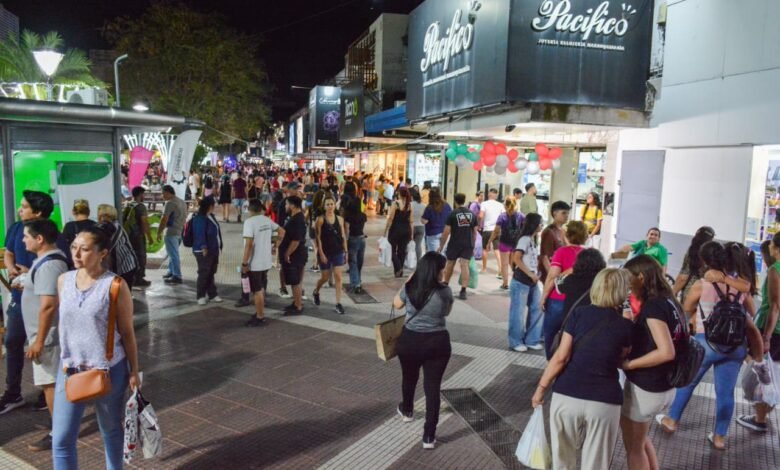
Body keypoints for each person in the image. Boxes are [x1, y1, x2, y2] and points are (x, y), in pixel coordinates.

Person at [656, 242, 763, 451]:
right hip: (735, 347)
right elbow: (751, 311)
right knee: (726, 393)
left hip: (706, 343)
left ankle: (671, 420)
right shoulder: (740, 285)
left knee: (688, 383)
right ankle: (719, 437)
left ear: (705, 261)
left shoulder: (703, 284)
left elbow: (687, 307)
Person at [52, 225, 140, 469]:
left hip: (108, 369)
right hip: (70, 368)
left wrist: (134, 370)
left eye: (84, 249)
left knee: (110, 430)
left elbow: (127, 332)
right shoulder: (64, 281)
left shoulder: (114, 285)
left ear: (102, 253)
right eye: (74, 247)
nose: (76, 253)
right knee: (61, 439)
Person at [531, 268, 634, 470]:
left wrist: (541, 389)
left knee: (562, 459)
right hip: (604, 402)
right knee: (596, 463)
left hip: (567, 395)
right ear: (622, 292)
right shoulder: (626, 325)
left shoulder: (579, 314)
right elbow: (621, 356)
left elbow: (561, 357)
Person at [620, 255, 680, 468]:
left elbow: (666, 352)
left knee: (634, 450)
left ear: (641, 278)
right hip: (664, 385)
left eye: (629, 278)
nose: (627, 284)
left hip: (647, 387)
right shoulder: (670, 301)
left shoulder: (654, 307)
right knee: (641, 441)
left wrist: (629, 365)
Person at [393, 252, 453, 450]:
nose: (444, 272)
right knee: (432, 388)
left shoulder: (410, 288)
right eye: (442, 268)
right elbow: (446, 312)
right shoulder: (445, 291)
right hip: (437, 343)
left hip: (410, 341)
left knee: (409, 378)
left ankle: (407, 411)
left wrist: (408, 281)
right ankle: (428, 436)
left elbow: (396, 304)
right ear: (436, 271)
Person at [1, 191, 53, 415]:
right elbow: (9, 253)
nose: (19, 210)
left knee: (43, 346)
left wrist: (30, 275)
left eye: (24, 207)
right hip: (18, 299)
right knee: (12, 342)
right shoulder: (15, 228)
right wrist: (12, 268)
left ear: (38, 212)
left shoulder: (52, 235)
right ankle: (13, 393)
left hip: (42, 302)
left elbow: (54, 266)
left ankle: (48, 391)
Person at [21, 219, 69, 451]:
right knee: (50, 384)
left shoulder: (50, 265)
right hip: (45, 336)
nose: (23, 240)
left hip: (48, 337)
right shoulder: (46, 262)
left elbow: (49, 306)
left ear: (39, 239)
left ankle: (58, 432)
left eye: (26, 236)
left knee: (50, 384)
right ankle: (59, 424)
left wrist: (39, 341)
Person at [737, 236, 780, 432]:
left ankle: (760, 419)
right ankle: (763, 414)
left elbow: (775, 306)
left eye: (771, 243)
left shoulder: (775, 269)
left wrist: (767, 336)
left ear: (776, 247)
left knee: (762, 374)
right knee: (773, 372)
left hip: (773, 330)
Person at [541, 221, 589, 359]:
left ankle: (552, 362)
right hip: (579, 302)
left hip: (558, 299)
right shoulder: (588, 254)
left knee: (551, 333)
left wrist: (544, 297)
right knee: (571, 336)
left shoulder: (561, 252)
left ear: (567, 235)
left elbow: (552, 276)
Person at [241, 198, 283, 327]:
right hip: (266, 261)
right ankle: (260, 311)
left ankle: (260, 317)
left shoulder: (249, 222)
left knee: (257, 290)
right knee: (262, 287)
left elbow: (248, 244)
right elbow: (282, 231)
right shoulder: (267, 220)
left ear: (249, 209)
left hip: (255, 263)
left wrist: (244, 263)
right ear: (261, 209)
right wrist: (275, 245)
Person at [508, 213, 544, 352]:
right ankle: (515, 341)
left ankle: (531, 339)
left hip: (532, 281)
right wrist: (529, 273)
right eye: (540, 223)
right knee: (517, 312)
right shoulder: (524, 239)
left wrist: (536, 273)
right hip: (521, 281)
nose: (541, 225)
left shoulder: (532, 240)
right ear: (534, 224)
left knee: (537, 308)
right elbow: (516, 258)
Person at [438, 193, 478, 300]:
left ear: (455, 201)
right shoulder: (471, 214)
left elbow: (446, 232)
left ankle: (445, 285)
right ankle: (463, 291)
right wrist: (473, 246)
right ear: (464, 200)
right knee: (464, 265)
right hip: (468, 243)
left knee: (450, 264)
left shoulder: (452, 214)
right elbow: (475, 232)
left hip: (455, 243)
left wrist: (441, 246)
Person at [313, 196, 348, 315]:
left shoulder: (340, 219)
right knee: (325, 277)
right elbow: (318, 238)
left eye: (332, 204)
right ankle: (316, 291)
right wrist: (321, 253)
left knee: (338, 277)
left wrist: (346, 251)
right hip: (325, 252)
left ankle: (338, 303)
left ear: (335, 205)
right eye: (327, 204)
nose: (330, 206)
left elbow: (343, 236)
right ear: (324, 206)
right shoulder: (320, 220)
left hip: (338, 251)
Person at [97, 205, 139, 291]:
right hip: (120, 266)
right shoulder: (104, 227)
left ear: (111, 216)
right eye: (101, 216)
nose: (103, 218)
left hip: (126, 265)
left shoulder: (115, 227)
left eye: (106, 216)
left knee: (124, 292)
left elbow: (108, 246)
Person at [559, 248, 607, 322]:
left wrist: (568, 271)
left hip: (572, 320)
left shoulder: (571, 279)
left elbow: (558, 286)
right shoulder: (602, 281)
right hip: (593, 321)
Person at [191, 197, 223, 305]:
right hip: (203, 251)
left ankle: (212, 294)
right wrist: (203, 247)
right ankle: (200, 295)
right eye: (214, 205)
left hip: (213, 249)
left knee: (210, 273)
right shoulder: (200, 218)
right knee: (204, 273)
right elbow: (199, 234)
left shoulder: (210, 216)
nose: (215, 206)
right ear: (210, 206)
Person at [672, 226, 715, 304]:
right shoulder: (715, 252)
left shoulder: (693, 251)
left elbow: (683, 277)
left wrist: (673, 293)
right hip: (710, 294)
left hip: (691, 292)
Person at [280, 196, 308, 315]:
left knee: (295, 281)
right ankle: (296, 302)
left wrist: (287, 253)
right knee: (294, 280)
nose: (285, 206)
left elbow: (296, 240)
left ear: (292, 205)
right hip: (297, 254)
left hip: (295, 255)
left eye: (287, 204)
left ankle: (298, 306)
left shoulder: (297, 219)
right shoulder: (297, 217)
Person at [489, 198, 525, 289]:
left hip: (504, 242)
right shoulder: (521, 216)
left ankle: (505, 284)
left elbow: (496, 231)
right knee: (514, 264)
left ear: (505, 205)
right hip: (516, 243)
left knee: (504, 264)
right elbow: (525, 228)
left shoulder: (502, 216)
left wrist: (489, 241)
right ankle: (515, 282)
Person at [123, 187, 154, 288]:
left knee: (131, 256)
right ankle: (139, 279)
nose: (144, 196)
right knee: (141, 257)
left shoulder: (128, 204)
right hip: (138, 236)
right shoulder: (141, 207)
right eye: (143, 194)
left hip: (128, 235)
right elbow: (144, 222)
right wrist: (149, 237)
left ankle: (132, 277)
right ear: (140, 195)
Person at [157, 185, 188, 285]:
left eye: (163, 193)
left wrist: (159, 232)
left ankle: (177, 276)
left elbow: (164, 219)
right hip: (180, 231)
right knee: (172, 253)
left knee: (173, 254)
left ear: (167, 192)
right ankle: (171, 271)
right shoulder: (181, 202)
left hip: (171, 232)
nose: (162, 196)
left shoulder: (170, 203)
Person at [57, 199, 96, 267]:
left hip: (75, 262)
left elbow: (64, 245)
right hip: (92, 260)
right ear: (88, 212)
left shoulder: (69, 226)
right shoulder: (95, 225)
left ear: (73, 212)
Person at [385, 187, 414, 278]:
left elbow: (390, 218)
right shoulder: (409, 205)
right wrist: (412, 234)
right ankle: (399, 272)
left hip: (395, 230)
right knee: (402, 251)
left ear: (400, 194)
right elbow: (411, 221)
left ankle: (398, 267)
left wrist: (385, 230)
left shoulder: (396, 203)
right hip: (406, 230)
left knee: (391, 250)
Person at [539, 201, 570, 284]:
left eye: (568, 213)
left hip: (560, 272)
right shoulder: (549, 232)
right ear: (555, 213)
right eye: (563, 213)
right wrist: (552, 278)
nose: (566, 216)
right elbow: (544, 257)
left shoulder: (563, 231)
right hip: (552, 272)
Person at [343, 193, 367, 294]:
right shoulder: (363, 216)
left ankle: (356, 283)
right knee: (359, 261)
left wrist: (345, 241)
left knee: (353, 262)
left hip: (352, 239)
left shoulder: (348, 216)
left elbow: (347, 230)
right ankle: (358, 280)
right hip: (362, 239)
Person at [479, 188, 505, 275]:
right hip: (497, 229)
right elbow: (504, 216)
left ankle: (484, 268)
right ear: (496, 195)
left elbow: (481, 216)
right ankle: (500, 269)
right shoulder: (500, 205)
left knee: (485, 249)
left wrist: (479, 224)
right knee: (497, 249)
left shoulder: (484, 203)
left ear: (488, 194)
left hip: (487, 229)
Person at [422, 187, 452, 253]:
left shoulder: (429, 207)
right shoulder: (447, 205)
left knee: (434, 255)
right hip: (445, 233)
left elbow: (424, 221)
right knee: (443, 254)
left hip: (433, 233)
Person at [410, 189, 427, 261]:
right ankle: (418, 261)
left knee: (408, 244)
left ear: (412, 197)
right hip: (421, 226)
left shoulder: (410, 205)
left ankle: (408, 260)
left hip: (411, 227)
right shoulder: (424, 205)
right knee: (418, 245)